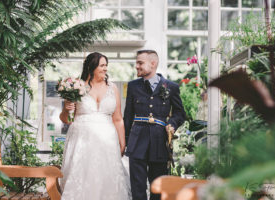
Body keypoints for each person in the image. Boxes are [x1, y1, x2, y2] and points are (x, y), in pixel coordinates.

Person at [59, 52, 131, 200]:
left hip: (108, 142)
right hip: (82, 141)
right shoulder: (76, 87)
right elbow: (65, 119)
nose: (105, 69)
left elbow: (118, 119)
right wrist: (66, 109)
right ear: (92, 67)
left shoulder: (113, 89)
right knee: (82, 178)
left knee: (107, 179)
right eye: (102, 66)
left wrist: (122, 143)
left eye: (106, 66)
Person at [124, 50, 186, 200]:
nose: (136, 66)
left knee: (158, 186)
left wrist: (171, 124)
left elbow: (180, 114)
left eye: (140, 63)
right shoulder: (133, 86)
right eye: (136, 62)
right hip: (137, 141)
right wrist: (125, 141)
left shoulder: (171, 86)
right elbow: (128, 116)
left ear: (153, 63)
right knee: (137, 186)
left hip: (159, 141)